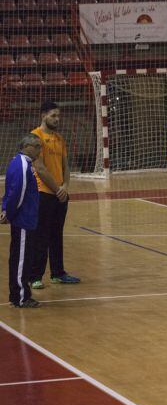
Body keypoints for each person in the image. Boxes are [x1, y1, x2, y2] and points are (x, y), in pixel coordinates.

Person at [29, 100, 80, 289]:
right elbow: (40, 168)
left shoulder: (59, 138)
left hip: (60, 194)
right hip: (43, 193)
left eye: (58, 115)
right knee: (41, 235)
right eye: (53, 115)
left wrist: (65, 186)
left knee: (56, 235)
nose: (57, 119)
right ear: (43, 115)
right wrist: (57, 188)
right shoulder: (35, 137)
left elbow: (66, 166)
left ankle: (58, 273)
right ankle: (35, 276)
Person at [2, 134, 42, 308]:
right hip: (23, 220)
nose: (40, 150)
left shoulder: (18, 163)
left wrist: (5, 209)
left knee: (20, 258)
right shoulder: (23, 165)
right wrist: (9, 213)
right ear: (28, 146)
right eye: (38, 147)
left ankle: (18, 294)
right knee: (21, 260)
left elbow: (10, 191)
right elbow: (18, 192)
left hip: (24, 219)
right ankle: (20, 297)